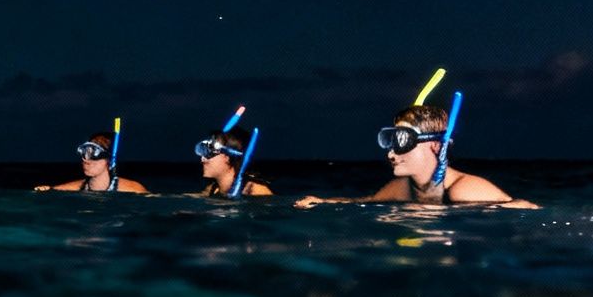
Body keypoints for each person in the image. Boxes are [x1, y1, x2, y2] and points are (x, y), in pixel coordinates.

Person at [294, 103, 535, 208]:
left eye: (401, 141)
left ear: (435, 146)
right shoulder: (402, 188)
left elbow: (525, 210)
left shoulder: (464, 190)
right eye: (391, 141)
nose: (390, 153)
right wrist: (323, 202)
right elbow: (363, 202)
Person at [33, 132, 149, 193]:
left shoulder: (133, 189)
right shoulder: (77, 187)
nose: (86, 160)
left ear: (108, 161)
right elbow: (54, 190)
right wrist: (49, 190)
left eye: (94, 155)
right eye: (85, 153)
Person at [196, 130, 271, 197]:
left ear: (227, 158)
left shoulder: (254, 189)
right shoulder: (213, 189)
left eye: (210, 154)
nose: (203, 160)